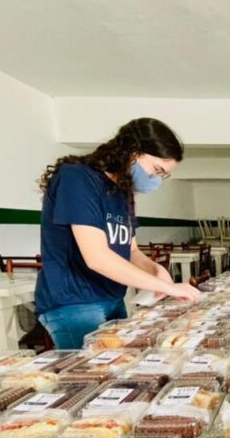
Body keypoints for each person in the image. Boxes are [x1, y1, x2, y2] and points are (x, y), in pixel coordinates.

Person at [34, 117, 201, 349]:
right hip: (75, 301)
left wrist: (155, 269)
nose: (155, 180)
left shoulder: (122, 191)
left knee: (122, 363)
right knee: (92, 369)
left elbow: (131, 250)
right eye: (156, 170)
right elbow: (97, 258)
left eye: (162, 175)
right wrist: (167, 287)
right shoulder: (77, 178)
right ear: (133, 151)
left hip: (112, 296)